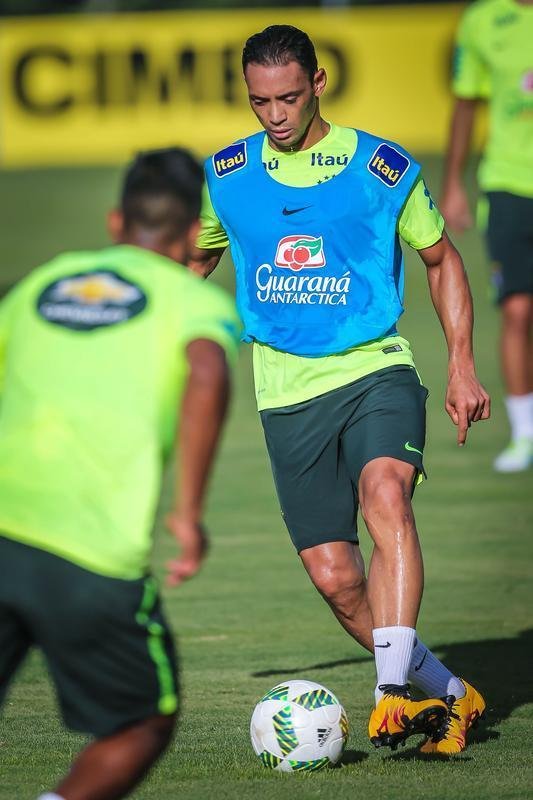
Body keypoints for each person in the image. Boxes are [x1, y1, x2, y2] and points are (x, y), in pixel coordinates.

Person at [189, 25, 490, 754]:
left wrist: (460, 365)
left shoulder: (381, 167)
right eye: (260, 102)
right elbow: (190, 268)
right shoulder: (227, 175)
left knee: (385, 495)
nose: (275, 115)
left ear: (318, 84)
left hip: (373, 368)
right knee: (336, 579)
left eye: (289, 98)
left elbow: (442, 260)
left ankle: (390, 694)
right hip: (284, 392)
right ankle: (451, 693)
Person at [0, 148, 240, 800]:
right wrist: (187, 514)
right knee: (142, 721)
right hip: (89, 553)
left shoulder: (44, 281)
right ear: (191, 234)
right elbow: (207, 370)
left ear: (115, 222)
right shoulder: (190, 299)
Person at [440, 0, 533, 472]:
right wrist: (454, 182)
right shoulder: (481, 20)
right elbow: (465, 103)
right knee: (517, 310)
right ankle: (524, 433)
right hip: (507, 182)